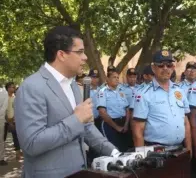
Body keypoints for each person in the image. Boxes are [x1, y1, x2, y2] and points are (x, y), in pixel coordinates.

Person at [14, 26, 118, 178]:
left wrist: (116, 153)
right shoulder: (31, 87)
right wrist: (76, 119)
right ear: (61, 54)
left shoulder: (73, 86)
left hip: (79, 172)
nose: (85, 57)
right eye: (80, 52)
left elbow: (86, 128)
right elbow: (32, 143)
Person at [132, 50, 192, 154]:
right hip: (156, 151)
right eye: (161, 65)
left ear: (173, 68)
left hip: (180, 149)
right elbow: (138, 130)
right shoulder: (144, 94)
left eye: (169, 65)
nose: (165, 68)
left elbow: (186, 123)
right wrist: (141, 157)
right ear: (153, 68)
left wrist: (189, 150)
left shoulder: (179, 91)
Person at [96, 69, 132, 152]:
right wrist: (116, 127)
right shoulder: (103, 92)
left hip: (123, 124)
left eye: (117, 77)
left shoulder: (121, 91)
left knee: (125, 149)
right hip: (110, 124)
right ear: (107, 79)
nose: (116, 79)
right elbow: (102, 112)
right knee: (113, 150)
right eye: (114, 77)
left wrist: (126, 125)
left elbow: (127, 109)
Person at [4, 82, 21, 160]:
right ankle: (2, 156)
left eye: (14, 87)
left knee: (16, 137)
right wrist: (7, 119)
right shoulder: (4, 97)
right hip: (4, 120)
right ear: (7, 88)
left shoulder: (15, 98)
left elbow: (17, 109)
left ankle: (18, 152)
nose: (13, 89)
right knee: (2, 138)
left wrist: (13, 118)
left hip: (14, 120)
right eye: (11, 87)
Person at [0, 86, 8, 166]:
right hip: (0, 119)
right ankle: (1, 159)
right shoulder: (4, 93)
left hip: (1, 119)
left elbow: (4, 108)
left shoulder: (4, 93)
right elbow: (4, 108)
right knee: (1, 139)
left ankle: (1, 158)